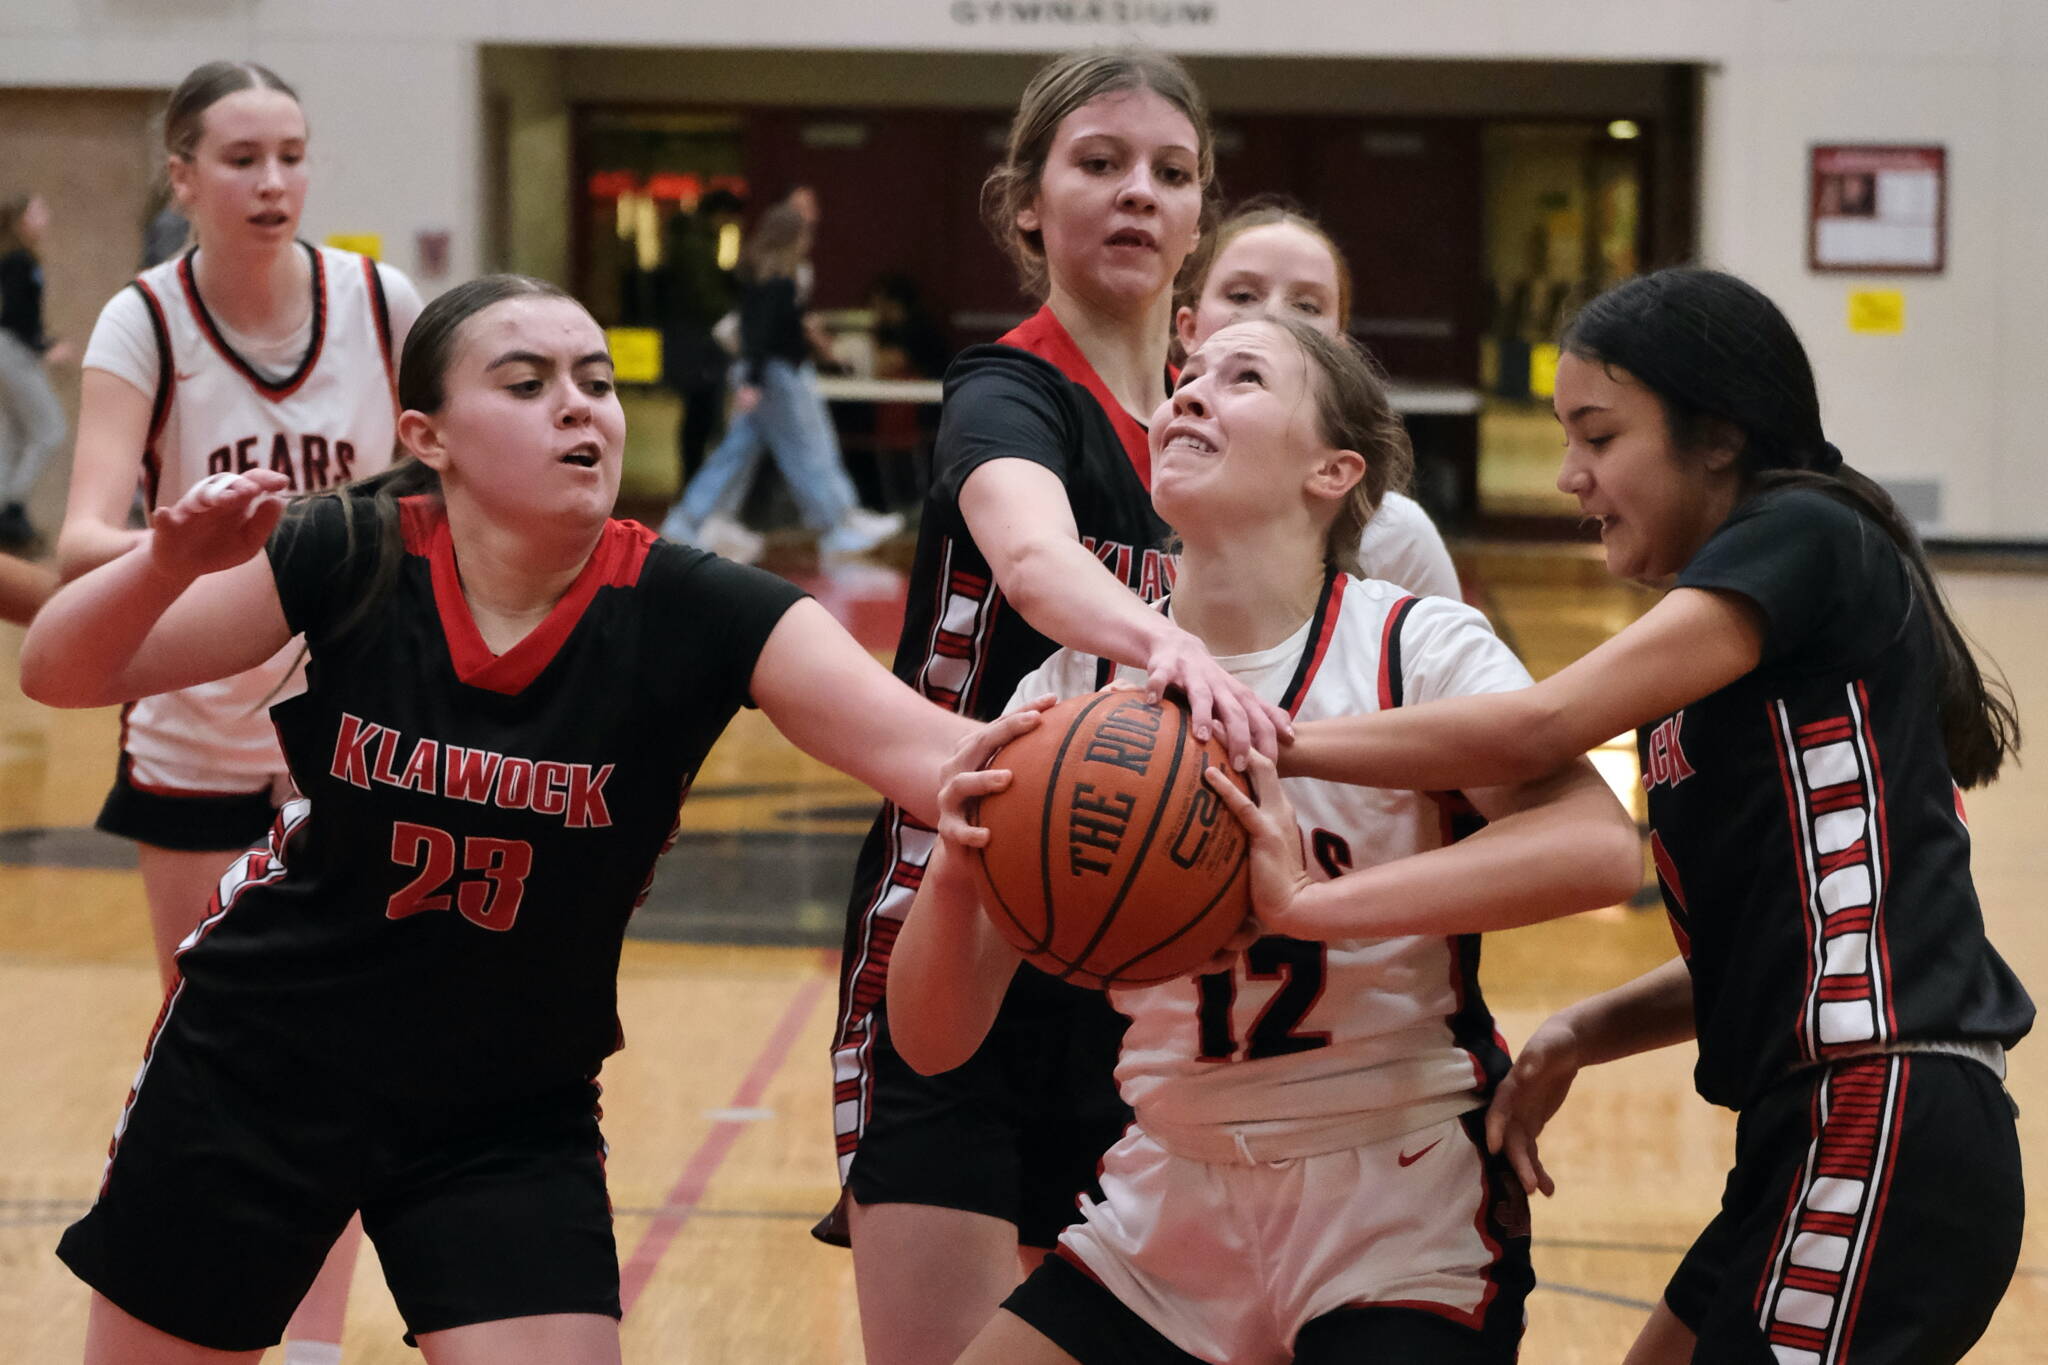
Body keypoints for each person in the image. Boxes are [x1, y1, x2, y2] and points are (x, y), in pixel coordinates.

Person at [22, 272, 979, 1364]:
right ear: (428, 435)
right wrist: (165, 562)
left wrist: (1147, 743)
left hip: (505, 1105)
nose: (579, 406)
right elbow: (62, 670)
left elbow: (938, 761)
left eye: (596, 381)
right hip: (261, 1067)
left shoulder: (702, 610)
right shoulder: (351, 550)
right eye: (526, 384)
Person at [1283, 267, 2032, 1364]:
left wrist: (1261, 732)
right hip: (1810, 1128)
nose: (1566, 477)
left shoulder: (1805, 529)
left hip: (1882, 1117)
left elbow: (1534, 727)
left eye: (1597, 436)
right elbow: (1771, 944)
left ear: (1715, 437)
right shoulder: (1738, 659)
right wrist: (1581, 1030)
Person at [885, 313, 1639, 1365]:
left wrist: (1309, 904)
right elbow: (931, 1040)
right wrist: (962, 868)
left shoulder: (1409, 646)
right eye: (1185, 377)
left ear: (1334, 469)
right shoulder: (1076, 687)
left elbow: (1598, 849)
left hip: (1395, 1191)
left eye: (1241, 379)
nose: (1185, 394)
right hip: (1165, 1199)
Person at [824, 47, 1292, 1365]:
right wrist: (1170, 649)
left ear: (1203, 216)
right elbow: (1033, 559)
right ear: (1027, 204)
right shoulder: (1006, 390)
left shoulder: (1220, 438)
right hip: (960, 919)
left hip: (1153, 947)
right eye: (1099, 164)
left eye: (1172, 172)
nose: (1138, 193)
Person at [51, 59, 425, 1364]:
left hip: (353, 732)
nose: (273, 183)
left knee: (336, 1047)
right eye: (242, 159)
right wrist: (187, 546)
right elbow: (83, 535)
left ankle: (313, 1343)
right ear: (183, 178)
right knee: (208, 1049)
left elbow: (450, 492)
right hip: (196, 726)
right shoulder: (142, 322)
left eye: (291, 156)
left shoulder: (381, 304)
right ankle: (205, 1316)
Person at [1174, 198, 1461, 602]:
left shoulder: (1395, 535)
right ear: (1188, 328)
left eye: (1307, 306)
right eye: (1241, 295)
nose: (1273, 315)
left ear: (1339, 348)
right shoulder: (1150, 484)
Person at [658, 201, 902, 563]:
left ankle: (690, 519)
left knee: (737, 450)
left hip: (760, 374)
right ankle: (840, 523)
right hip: (779, 376)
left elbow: (755, 330)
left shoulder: (758, 275)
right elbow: (765, 333)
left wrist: (752, 377)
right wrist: (756, 379)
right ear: (793, 237)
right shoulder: (782, 280)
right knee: (812, 447)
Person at [0, 193, 73, 550]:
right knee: (50, 429)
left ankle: (6, 509)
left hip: (11, 347)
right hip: (11, 350)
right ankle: (10, 509)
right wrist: (45, 347)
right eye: (38, 211)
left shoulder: (18, 260)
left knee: (13, 432)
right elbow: (14, 315)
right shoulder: (19, 261)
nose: (46, 217)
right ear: (22, 220)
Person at [656, 192, 738, 492]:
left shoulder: (691, 241)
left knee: (698, 413)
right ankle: (694, 481)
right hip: (698, 341)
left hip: (691, 338)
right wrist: (734, 309)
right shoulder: (697, 245)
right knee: (701, 413)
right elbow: (704, 297)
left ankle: (693, 479)